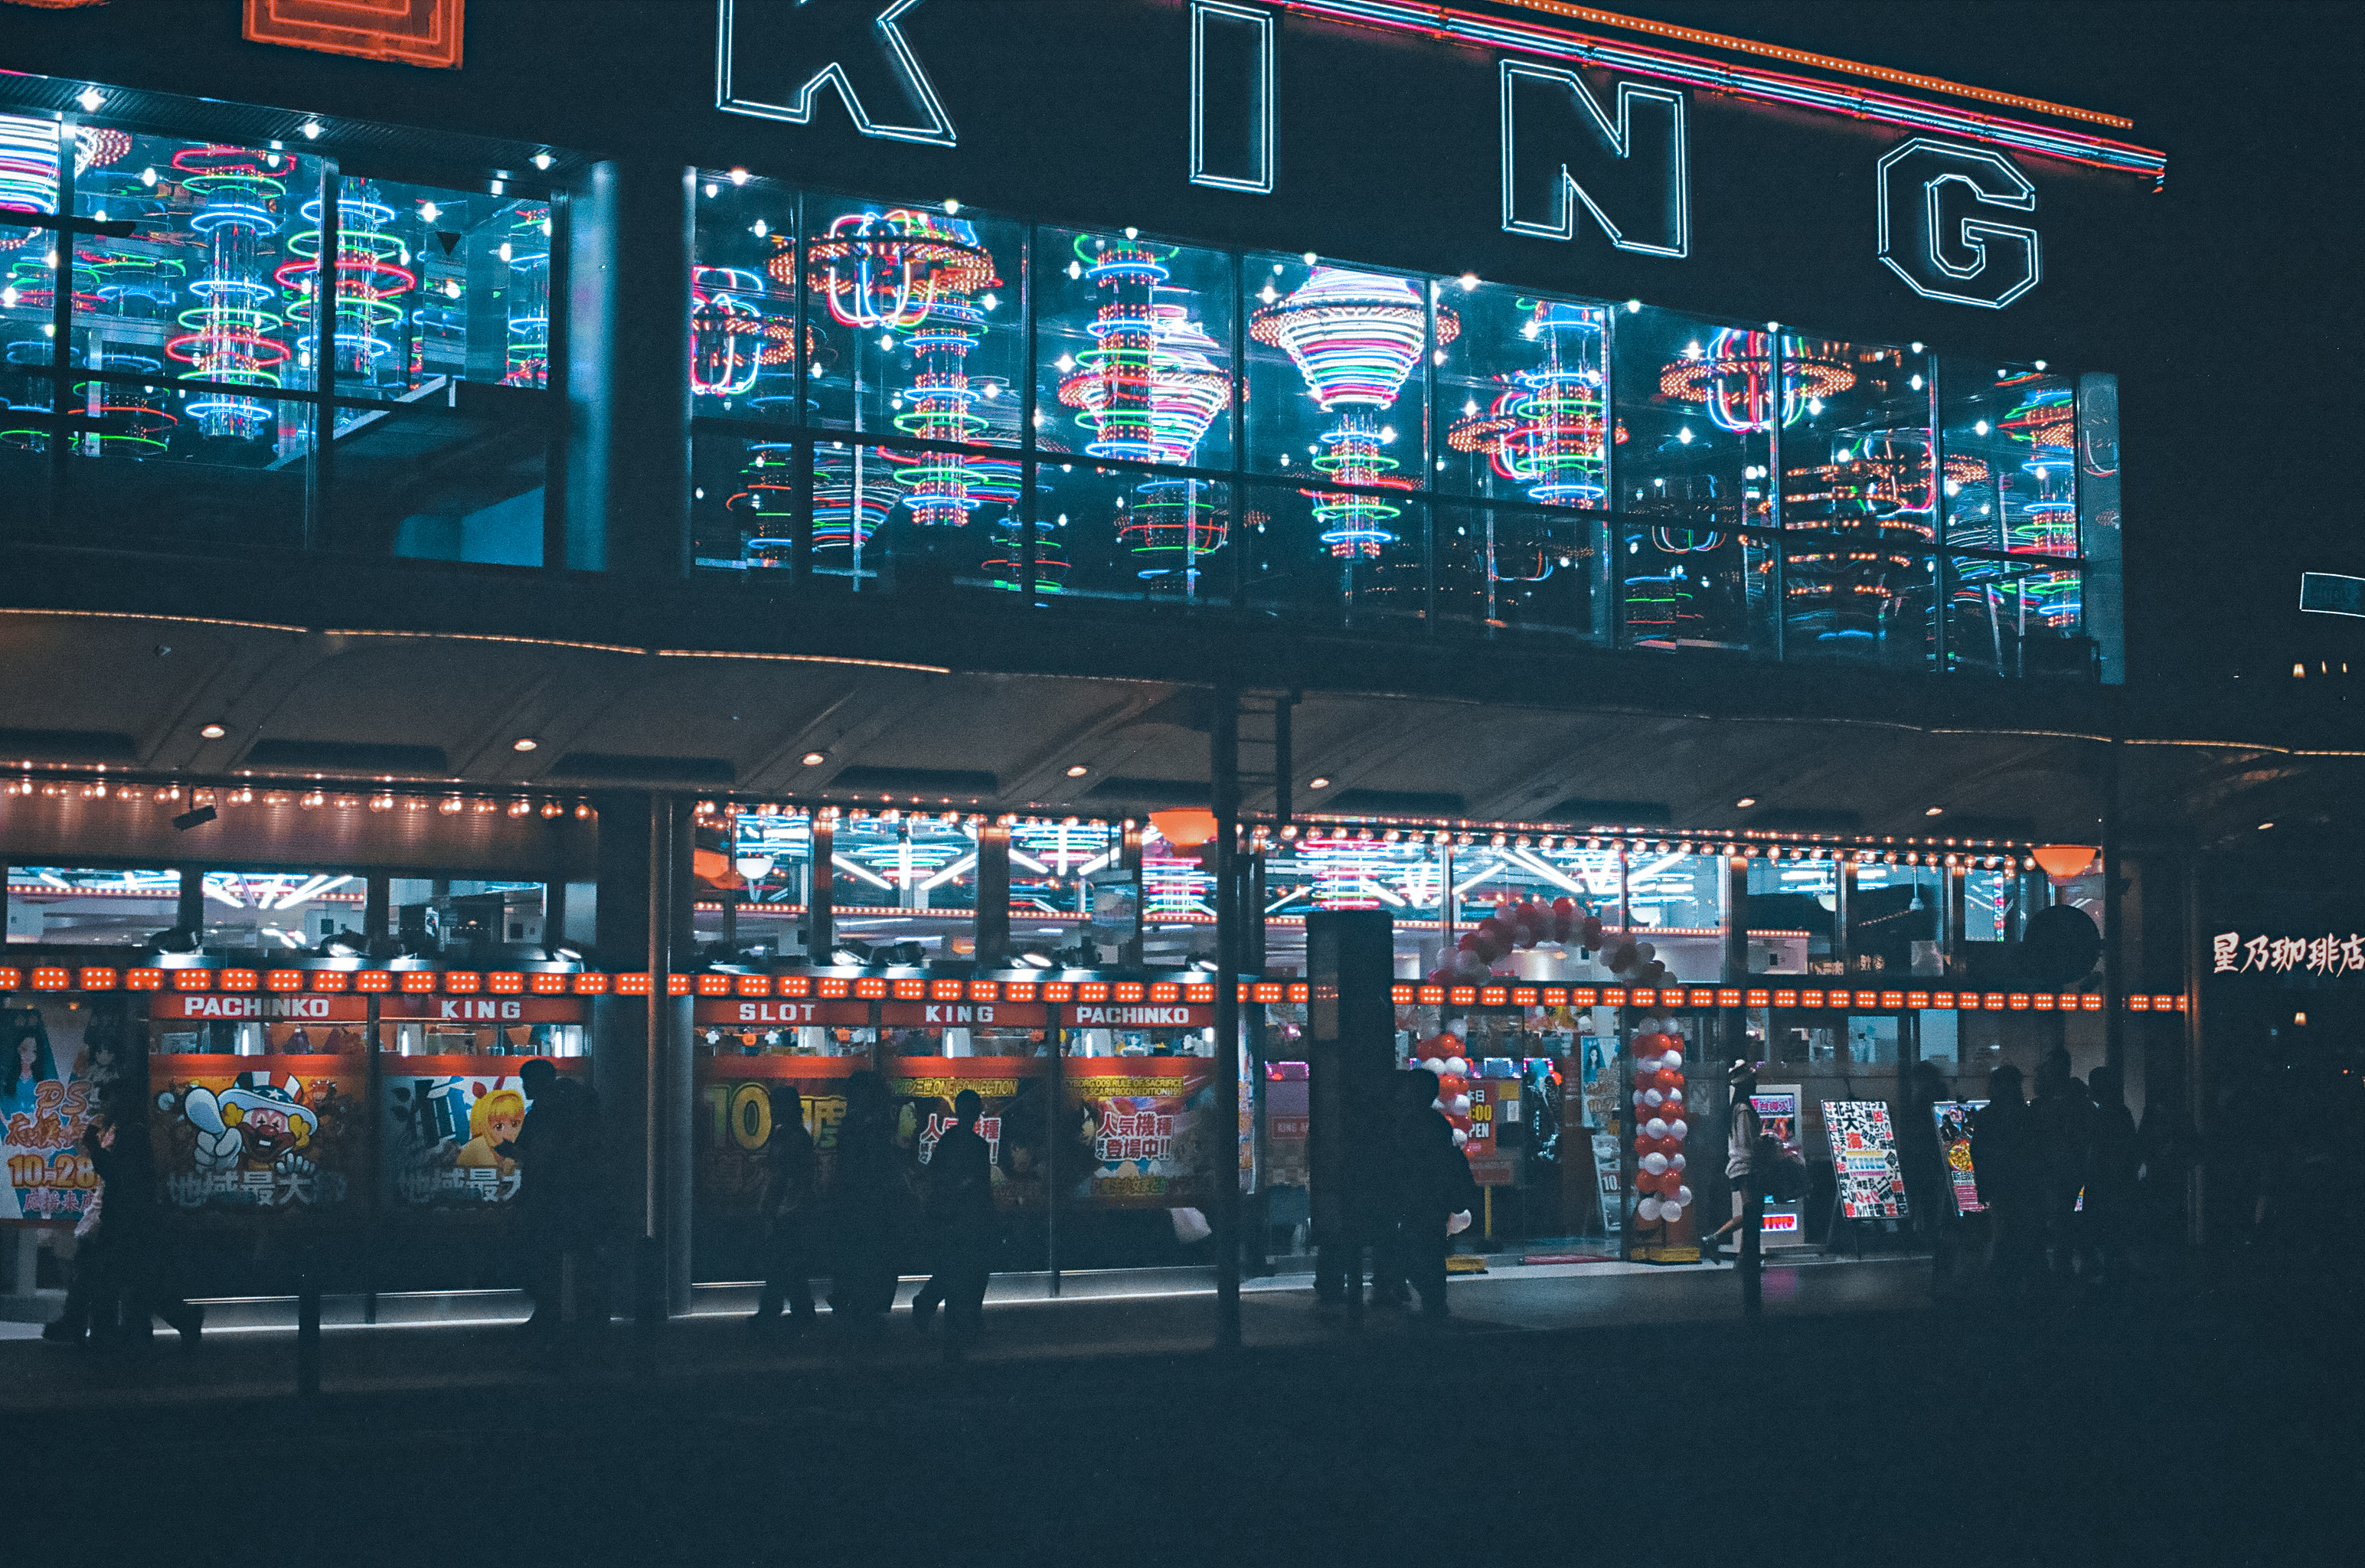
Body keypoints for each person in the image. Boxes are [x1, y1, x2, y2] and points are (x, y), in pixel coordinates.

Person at [507, 1060, 608, 1339]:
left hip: (550, 1198)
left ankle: (552, 1316)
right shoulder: (571, 1109)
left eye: (527, 1082)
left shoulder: (546, 1112)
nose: (525, 1088)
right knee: (565, 1258)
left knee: (546, 1258)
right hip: (571, 1197)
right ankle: (570, 1316)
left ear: (539, 1082)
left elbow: (537, 1155)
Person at [920, 1089, 996, 1361]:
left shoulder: (947, 1140)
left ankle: (933, 1308)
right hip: (969, 1218)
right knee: (968, 1273)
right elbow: (980, 1187)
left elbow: (935, 1176)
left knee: (954, 1271)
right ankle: (959, 1328)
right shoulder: (977, 1145)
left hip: (950, 1217)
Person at [1393, 1068, 1475, 1324]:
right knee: (1430, 1248)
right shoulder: (1436, 1121)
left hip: (1419, 1196)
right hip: (1433, 1197)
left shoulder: (1411, 1123)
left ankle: (1432, 1297)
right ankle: (1435, 1299)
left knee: (1414, 1248)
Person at [830, 1070, 902, 1328]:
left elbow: (847, 1166)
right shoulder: (880, 1125)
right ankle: (866, 1305)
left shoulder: (855, 1125)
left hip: (858, 1201)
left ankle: (854, 1302)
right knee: (872, 1256)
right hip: (874, 1202)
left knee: (857, 1254)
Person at [749, 1084, 820, 1334]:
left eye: (775, 1106)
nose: (772, 1111)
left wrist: (774, 1209)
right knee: (788, 1265)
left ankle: (779, 1310)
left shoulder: (790, 1139)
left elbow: (789, 1180)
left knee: (782, 1263)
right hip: (790, 1211)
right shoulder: (795, 1137)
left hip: (788, 1212)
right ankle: (794, 1310)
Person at [1971, 1063, 2040, 1293]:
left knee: (2003, 1229)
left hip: (2000, 1182)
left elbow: (1978, 1153)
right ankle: (2022, 1280)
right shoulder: (2028, 1115)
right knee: (2024, 1231)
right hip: (2025, 1182)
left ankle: (2001, 1279)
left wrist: (1981, 1185)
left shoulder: (1987, 1116)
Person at [2030, 1046, 2092, 1279]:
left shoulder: (2045, 1103)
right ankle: (2067, 1262)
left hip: (2055, 1167)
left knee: (2058, 1217)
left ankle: (2061, 1264)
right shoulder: (2078, 1100)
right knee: (2064, 1217)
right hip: (2067, 1166)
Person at [2082, 1064, 2139, 1290]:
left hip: (2105, 1183)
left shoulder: (2107, 1114)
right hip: (2112, 1183)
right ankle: (2115, 1277)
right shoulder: (2118, 1112)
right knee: (2112, 1233)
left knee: (2106, 1230)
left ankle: (2112, 1278)